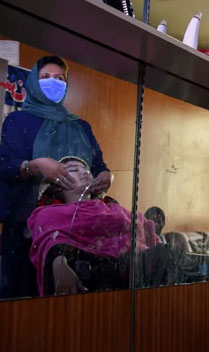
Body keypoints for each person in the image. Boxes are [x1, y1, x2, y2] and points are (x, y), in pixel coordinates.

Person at [0, 56, 111, 298]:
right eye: (45, 77)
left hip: (79, 228)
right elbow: (4, 166)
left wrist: (106, 176)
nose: (53, 83)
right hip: (26, 228)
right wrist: (35, 166)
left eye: (59, 79)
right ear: (33, 83)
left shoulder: (81, 127)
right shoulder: (17, 122)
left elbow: (99, 164)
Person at [27, 156, 160, 295]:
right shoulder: (49, 213)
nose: (84, 173)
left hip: (135, 269)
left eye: (88, 171)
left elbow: (142, 229)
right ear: (56, 184)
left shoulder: (113, 209)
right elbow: (48, 242)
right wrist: (58, 263)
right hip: (93, 277)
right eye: (73, 169)